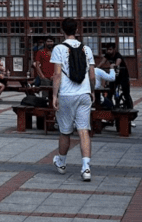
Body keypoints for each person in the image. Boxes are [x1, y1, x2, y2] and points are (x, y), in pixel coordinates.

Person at [50, 17, 96, 182]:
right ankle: (86, 168)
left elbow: (56, 74)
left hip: (67, 95)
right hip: (84, 94)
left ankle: (61, 163)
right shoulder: (87, 49)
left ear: (62, 30)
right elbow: (91, 74)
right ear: (77, 30)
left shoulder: (59, 49)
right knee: (84, 130)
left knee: (65, 131)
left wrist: (54, 95)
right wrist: (92, 91)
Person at [102, 42, 132, 109]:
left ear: (114, 49)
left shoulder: (118, 55)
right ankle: (109, 106)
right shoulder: (107, 55)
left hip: (123, 75)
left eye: (110, 49)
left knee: (125, 91)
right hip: (115, 75)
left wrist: (115, 65)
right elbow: (102, 62)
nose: (109, 51)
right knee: (110, 91)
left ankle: (129, 106)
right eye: (108, 50)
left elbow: (118, 62)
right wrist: (96, 68)